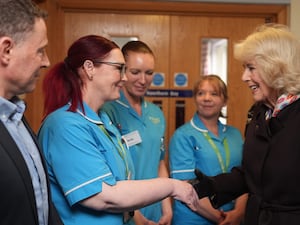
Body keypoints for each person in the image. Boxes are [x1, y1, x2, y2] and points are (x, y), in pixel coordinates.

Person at [37, 34, 200, 225]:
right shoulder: (65, 125)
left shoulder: (104, 122)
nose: (124, 78)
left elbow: (125, 179)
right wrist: (172, 186)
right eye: (119, 69)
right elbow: (106, 196)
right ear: (89, 68)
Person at [191, 23, 300, 225]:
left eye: (251, 68)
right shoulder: (258, 113)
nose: (244, 77)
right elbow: (252, 173)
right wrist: (212, 185)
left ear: (275, 67)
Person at [0, 0, 64, 225]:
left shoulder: (15, 115)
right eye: (40, 50)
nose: (46, 62)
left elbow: (40, 203)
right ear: (6, 50)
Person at [102, 40, 172, 225]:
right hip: (126, 214)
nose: (143, 80)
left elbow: (159, 163)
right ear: (123, 71)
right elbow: (110, 173)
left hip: (156, 214)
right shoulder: (108, 110)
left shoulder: (156, 114)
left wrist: (167, 208)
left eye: (149, 73)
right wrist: (136, 216)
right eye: (135, 72)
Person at [169, 75, 247, 225]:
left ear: (224, 100)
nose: (206, 98)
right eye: (201, 93)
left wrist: (238, 213)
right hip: (194, 219)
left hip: (234, 216)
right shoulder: (183, 136)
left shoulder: (235, 135)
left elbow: (246, 175)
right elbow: (187, 187)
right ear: (195, 98)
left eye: (214, 93)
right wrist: (222, 219)